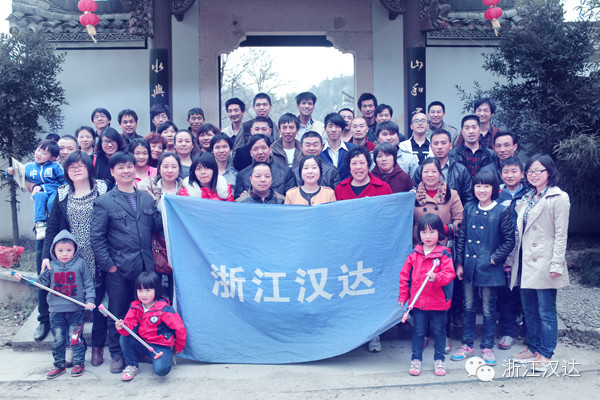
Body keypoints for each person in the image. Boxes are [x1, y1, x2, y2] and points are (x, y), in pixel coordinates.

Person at [91, 151, 163, 374]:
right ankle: (117, 354)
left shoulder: (146, 198)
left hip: (145, 268)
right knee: (118, 313)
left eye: (129, 166)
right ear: (112, 172)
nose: (126, 170)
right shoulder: (104, 202)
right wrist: (110, 267)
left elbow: (158, 226)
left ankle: (141, 349)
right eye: (120, 167)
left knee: (145, 311)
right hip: (119, 270)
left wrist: (168, 203)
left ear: (135, 169)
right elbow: (97, 238)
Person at [42, 151, 109, 367]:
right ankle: (77, 346)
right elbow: (52, 228)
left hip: (101, 256)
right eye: (72, 166)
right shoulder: (62, 194)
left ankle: (97, 346)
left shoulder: (103, 188)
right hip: (73, 260)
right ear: (66, 171)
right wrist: (46, 256)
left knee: (98, 303)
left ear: (89, 167)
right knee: (74, 306)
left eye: (81, 165)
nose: (76, 169)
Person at [506, 155, 570, 372]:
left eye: (539, 171)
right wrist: (512, 259)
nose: (534, 175)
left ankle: (546, 353)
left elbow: (561, 234)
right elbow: (519, 233)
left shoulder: (558, 197)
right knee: (529, 309)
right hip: (525, 261)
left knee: (546, 310)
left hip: (545, 261)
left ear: (549, 172)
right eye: (530, 171)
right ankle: (532, 347)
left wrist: (557, 264)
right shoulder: (528, 197)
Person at [452, 170, 515, 366]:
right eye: (478, 186)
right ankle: (467, 345)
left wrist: (494, 259)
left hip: (489, 268)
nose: (482, 190)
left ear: (493, 188)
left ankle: (487, 346)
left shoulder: (501, 210)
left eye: (486, 186)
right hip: (469, 266)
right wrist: (459, 263)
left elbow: (509, 240)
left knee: (489, 309)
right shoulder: (469, 207)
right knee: (468, 307)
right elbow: (462, 237)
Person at [15, 230, 95, 379]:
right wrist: (23, 279)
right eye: (60, 250)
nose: (65, 254)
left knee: (75, 338)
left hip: (76, 311)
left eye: (69, 250)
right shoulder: (51, 266)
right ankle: (59, 365)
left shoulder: (80, 264)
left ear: (75, 249)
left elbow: (88, 284)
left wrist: (90, 300)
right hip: (56, 312)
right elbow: (40, 283)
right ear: (54, 251)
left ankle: (79, 363)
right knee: (58, 339)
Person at [399, 214, 456, 377]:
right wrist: (403, 296)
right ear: (419, 234)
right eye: (423, 232)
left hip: (438, 303)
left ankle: (439, 360)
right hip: (418, 303)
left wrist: (436, 277)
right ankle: (416, 359)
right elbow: (405, 276)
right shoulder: (414, 254)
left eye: (432, 232)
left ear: (439, 233)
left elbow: (449, 274)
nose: (428, 236)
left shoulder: (444, 253)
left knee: (439, 332)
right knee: (418, 332)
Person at [116, 271, 187, 381]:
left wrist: (178, 347)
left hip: (161, 346)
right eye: (140, 290)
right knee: (124, 338)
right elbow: (130, 326)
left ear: (156, 290)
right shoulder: (135, 306)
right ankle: (132, 365)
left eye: (148, 290)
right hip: (143, 343)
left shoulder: (164, 308)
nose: (143, 295)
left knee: (161, 370)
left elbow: (179, 329)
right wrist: (122, 326)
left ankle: (162, 358)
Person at [495, 156, 527, 351]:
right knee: (508, 293)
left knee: (528, 292)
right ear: (501, 175)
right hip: (505, 253)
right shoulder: (497, 195)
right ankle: (508, 332)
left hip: (527, 251)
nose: (510, 175)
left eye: (514, 171)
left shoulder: (530, 194)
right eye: (506, 172)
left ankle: (529, 331)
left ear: (522, 174)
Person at [6, 139, 65, 240]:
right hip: (41, 192)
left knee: (51, 202)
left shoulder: (56, 167)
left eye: (44, 153)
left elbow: (63, 181)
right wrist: (9, 172)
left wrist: (44, 187)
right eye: (38, 150)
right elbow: (17, 173)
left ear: (52, 158)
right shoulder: (29, 167)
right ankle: (40, 224)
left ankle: (54, 222)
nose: (39, 154)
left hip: (55, 191)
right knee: (38, 196)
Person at [413, 129, 473, 206]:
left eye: (443, 143)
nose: (439, 147)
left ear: (450, 146)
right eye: (436, 143)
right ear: (430, 147)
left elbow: (468, 199)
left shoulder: (461, 170)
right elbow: (414, 194)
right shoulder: (421, 170)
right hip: (427, 211)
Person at [413, 157, 463, 245]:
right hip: (419, 246)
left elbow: (460, 222)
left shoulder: (452, 195)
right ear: (421, 174)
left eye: (434, 171)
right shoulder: (414, 195)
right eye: (426, 172)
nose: (430, 175)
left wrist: (441, 230)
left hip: (443, 246)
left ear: (440, 173)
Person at [234, 134, 295, 199]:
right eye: (255, 149)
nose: (260, 152)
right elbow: (238, 200)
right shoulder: (242, 175)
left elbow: (290, 199)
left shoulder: (285, 172)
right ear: (251, 153)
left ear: (270, 149)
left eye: (263, 148)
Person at [321, 112, 356, 181]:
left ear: (342, 129)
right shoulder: (320, 150)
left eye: (337, 126)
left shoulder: (352, 149)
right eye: (330, 126)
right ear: (325, 128)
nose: (334, 130)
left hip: (347, 186)